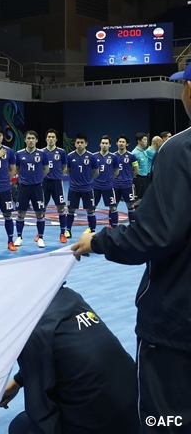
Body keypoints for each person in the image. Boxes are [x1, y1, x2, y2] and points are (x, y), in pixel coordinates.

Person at [71, 64, 191, 432]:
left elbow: (156, 235)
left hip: (177, 326)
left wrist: (98, 240)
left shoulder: (181, 149)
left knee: (165, 421)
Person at [0, 286, 138, 434]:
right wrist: (18, 381)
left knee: (20, 426)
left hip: (102, 425)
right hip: (139, 411)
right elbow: (64, 350)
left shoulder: (28, 327)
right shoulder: (70, 297)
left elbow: (42, 414)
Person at [13, 130, 49, 248]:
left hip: (37, 187)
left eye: (33, 138)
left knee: (40, 213)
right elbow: (17, 169)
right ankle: (19, 237)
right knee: (21, 213)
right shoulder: (19, 154)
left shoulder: (42, 154)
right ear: (25, 140)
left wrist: (38, 178)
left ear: (37, 140)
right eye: (28, 138)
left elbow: (46, 169)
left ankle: (41, 237)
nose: (31, 140)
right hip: (23, 187)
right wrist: (24, 178)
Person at [65, 134, 99, 238]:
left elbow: (96, 172)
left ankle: (92, 231)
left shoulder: (91, 156)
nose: (80, 144)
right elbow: (67, 171)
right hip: (74, 188)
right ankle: (68, 230)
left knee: (90, 210)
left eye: (82, 143)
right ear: (75, 144)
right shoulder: (70, 156)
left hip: (87, 188)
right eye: (78, 142)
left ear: (86, 144)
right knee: (71, 209)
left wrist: (88, 180)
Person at [41, 129, 68, 243]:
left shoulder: (61, 152)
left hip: (57, 183)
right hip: (44, 183)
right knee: (41, 209)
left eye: (53, 137)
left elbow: (65, 167)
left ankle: (62, 233)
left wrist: (58, 175)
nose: (51, 139)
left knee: (61, 208)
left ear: (56, 139)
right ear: (46, 138)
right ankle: (40, 235)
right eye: (49, 137)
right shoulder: (41, 152)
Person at [92, 135, 120, 228]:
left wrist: (110, 178)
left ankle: (114, 227)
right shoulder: (94, 156)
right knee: (92, 208)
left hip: (108, 186)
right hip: (95, 186)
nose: (104, 145)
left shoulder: (114, 157)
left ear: (110, 145)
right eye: (103, 143)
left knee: (113, 207)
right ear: (100, 144)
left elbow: (116, 170)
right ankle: (91, 228)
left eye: (106, 143)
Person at [112, 134, 139, 226]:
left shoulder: (132, 156)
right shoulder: (113, 156)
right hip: (115, 185)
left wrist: (129, 177)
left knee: (131, 206)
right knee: (113, 206)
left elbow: (136, 170)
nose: (121, 143)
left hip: (127, 185)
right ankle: (113, 226)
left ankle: (132, 226)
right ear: (116, 143)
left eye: (123, 142)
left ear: (127, 144)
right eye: (120, 142)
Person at [132, 132, 155, 204]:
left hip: (145, 178)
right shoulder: (134, 153)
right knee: (137, 200)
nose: (146, 141)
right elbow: (132, 168)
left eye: (147, 140)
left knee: (144, 199)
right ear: (139, 141)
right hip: (138, 179)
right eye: (144, 139)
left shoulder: (145, 152)